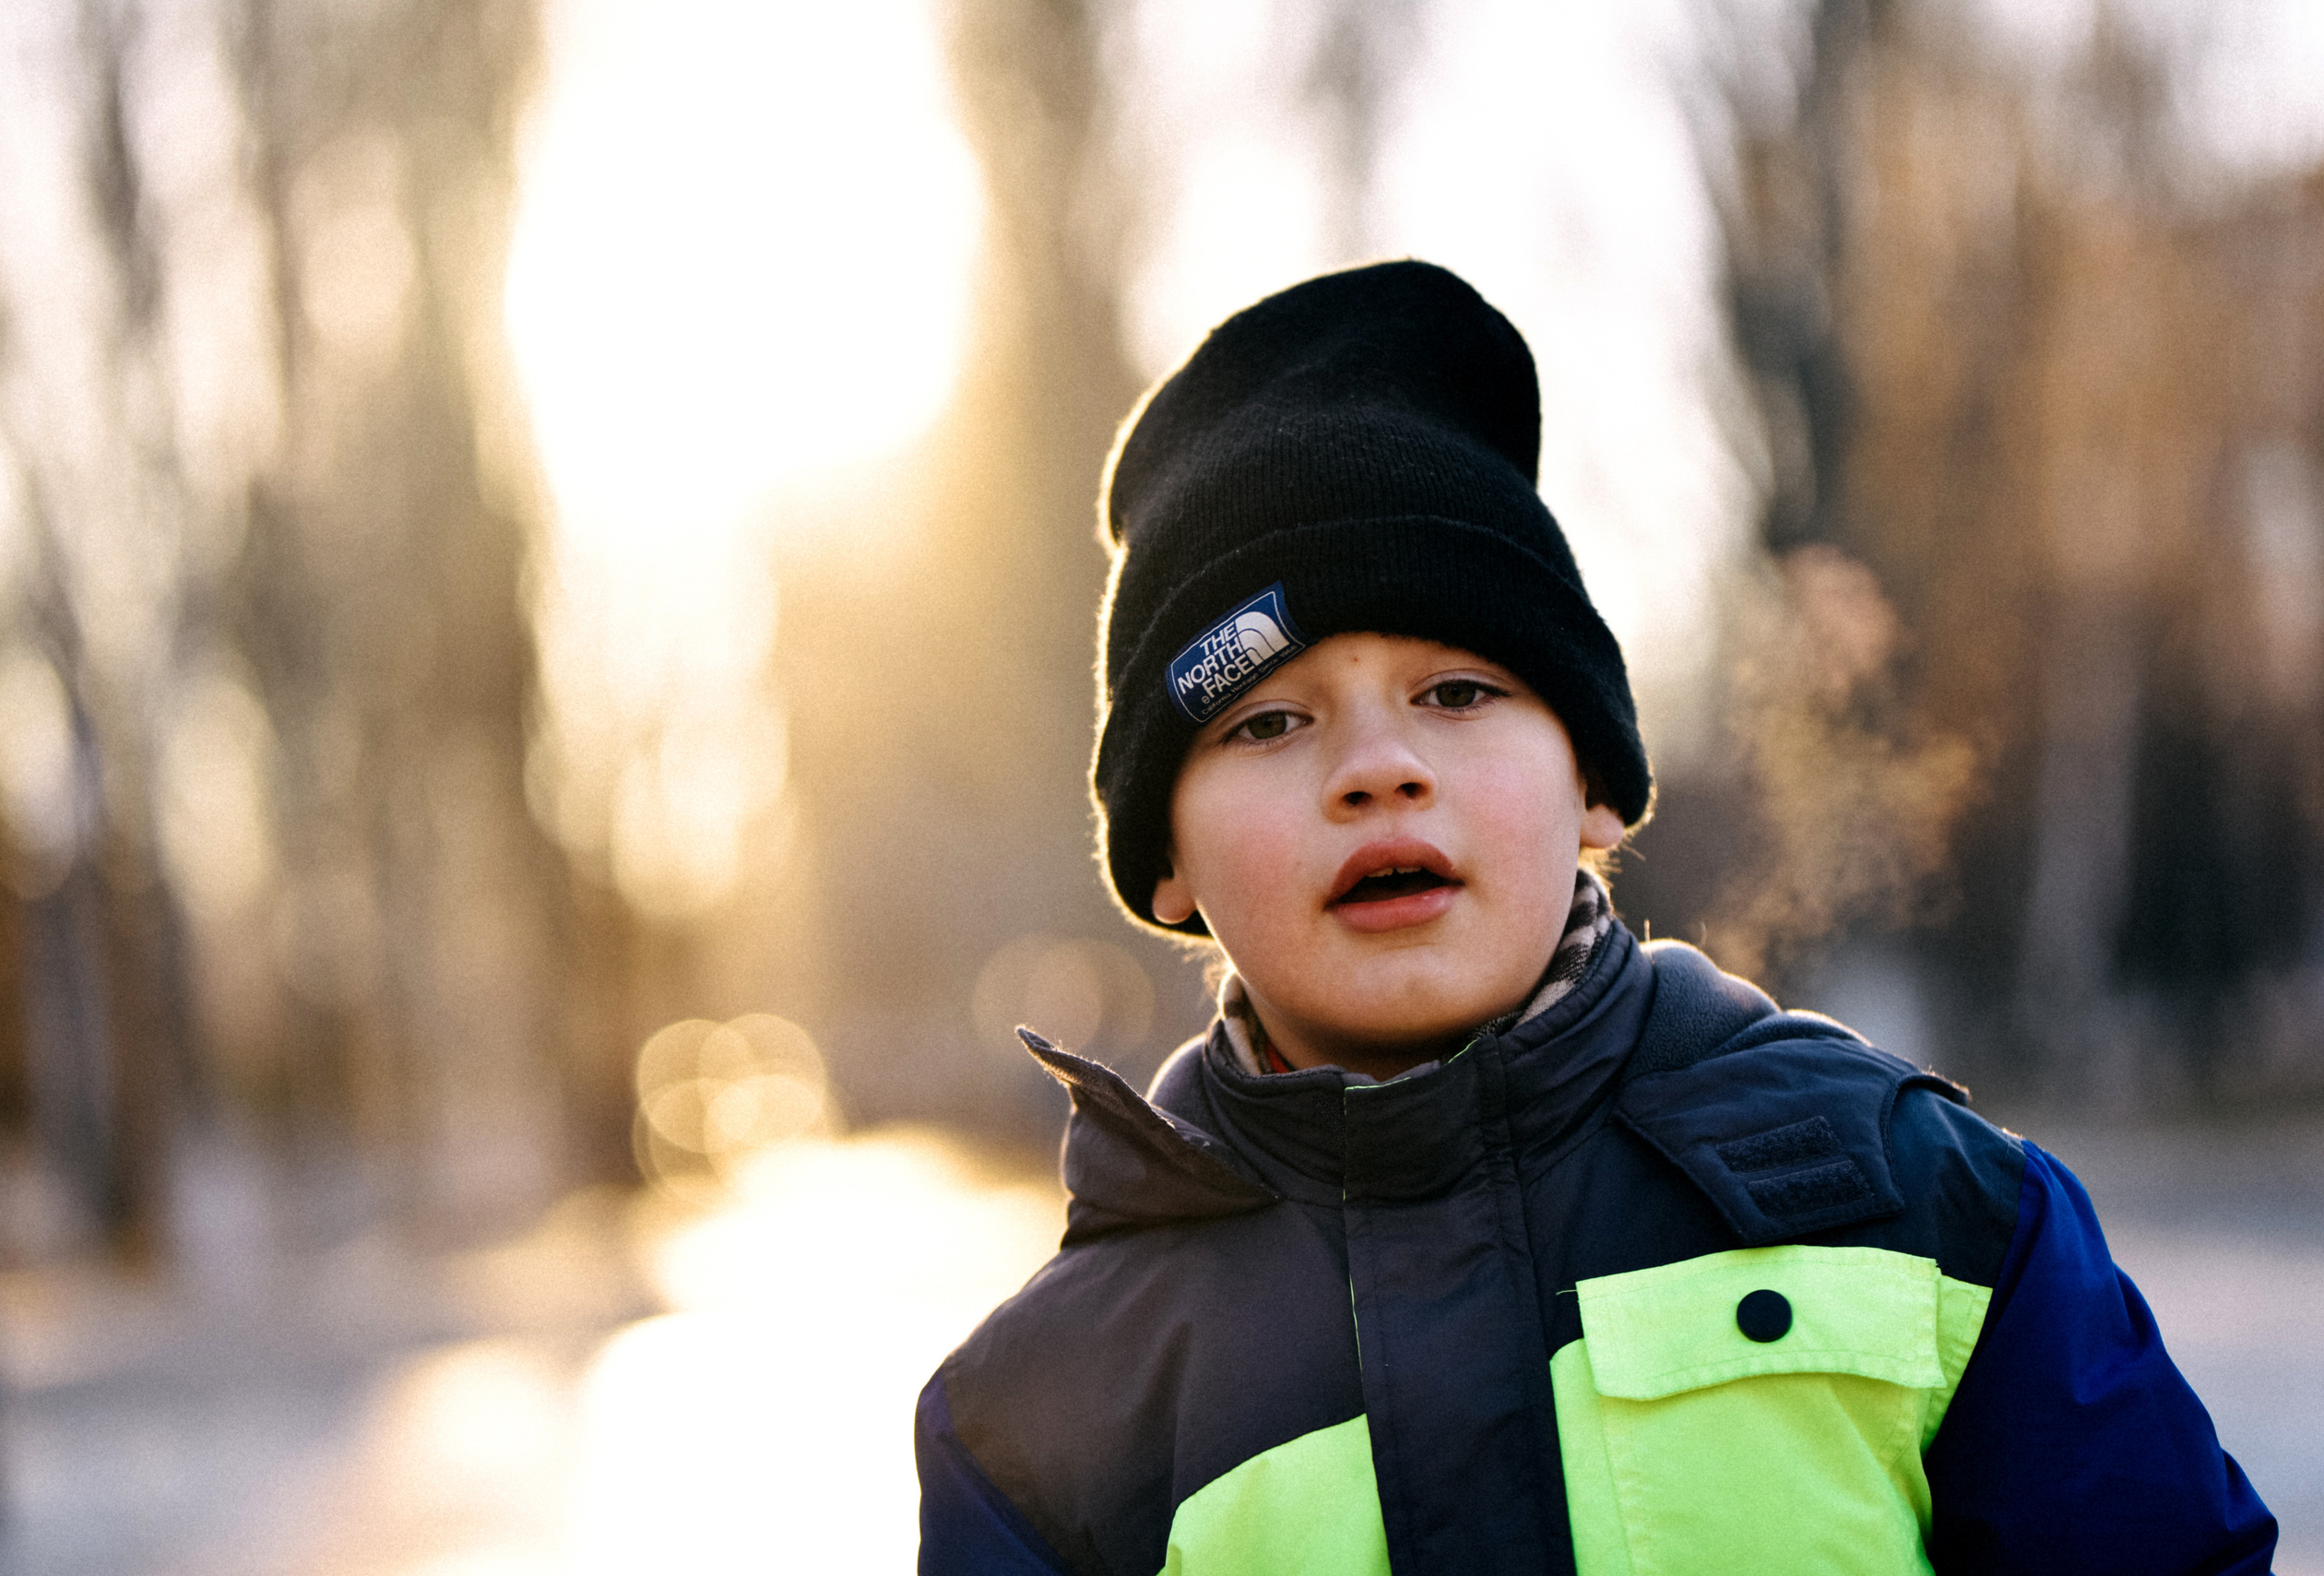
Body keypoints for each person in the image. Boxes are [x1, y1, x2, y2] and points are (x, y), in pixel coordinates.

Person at [912, 261, 2278, 1575]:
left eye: (1459, 692)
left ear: (1597, 788)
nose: (1379, 767)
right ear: (1164, 860)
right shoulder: (1043, 1420)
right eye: (1269, 720)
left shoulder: (1925, 1213)